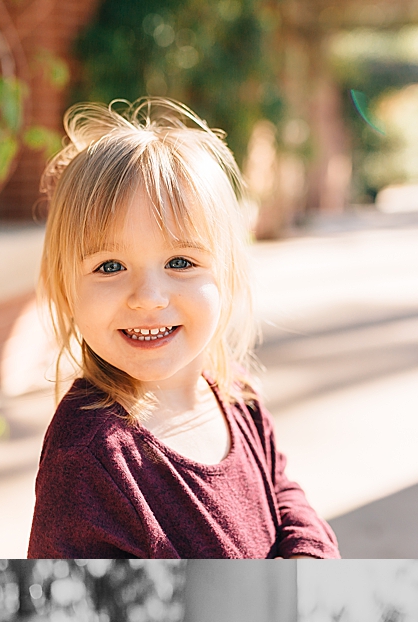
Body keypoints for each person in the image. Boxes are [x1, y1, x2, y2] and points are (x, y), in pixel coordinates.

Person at [25, 99, 339, 559]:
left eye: (180, 262)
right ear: (64, 287)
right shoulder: (88, 459)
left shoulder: (236, 395)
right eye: (110, 266)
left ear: (228, 275)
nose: (149, 296)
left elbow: (283, 492)